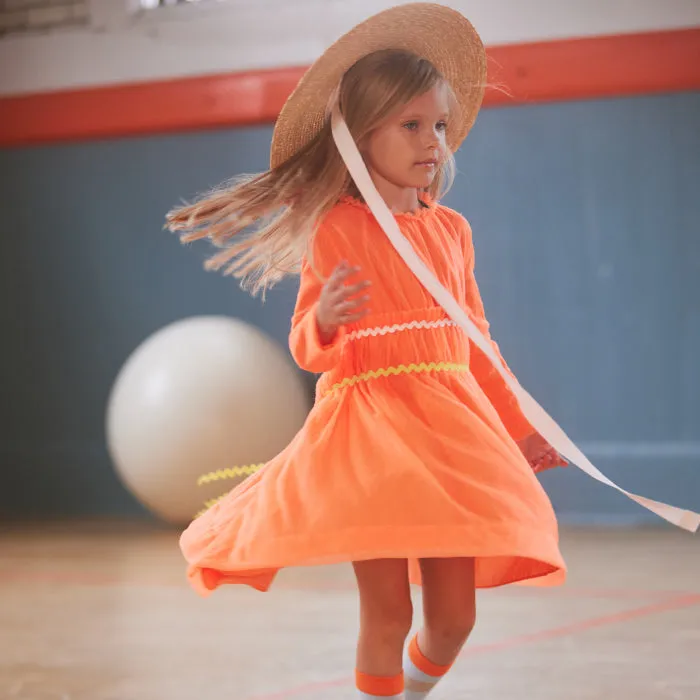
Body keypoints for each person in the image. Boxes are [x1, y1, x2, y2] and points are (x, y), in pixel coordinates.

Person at [167, 4, 569, 698]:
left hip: (453, 438)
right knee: (387, 611)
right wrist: (322, 319)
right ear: (358, 137)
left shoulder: (452, 231)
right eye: (411, 125)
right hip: (371, 441)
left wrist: (520, 428)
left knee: (454, 618)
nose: (433, 141)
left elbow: (477, 343)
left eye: (439, 125)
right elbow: (306, 349)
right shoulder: (337, 229)